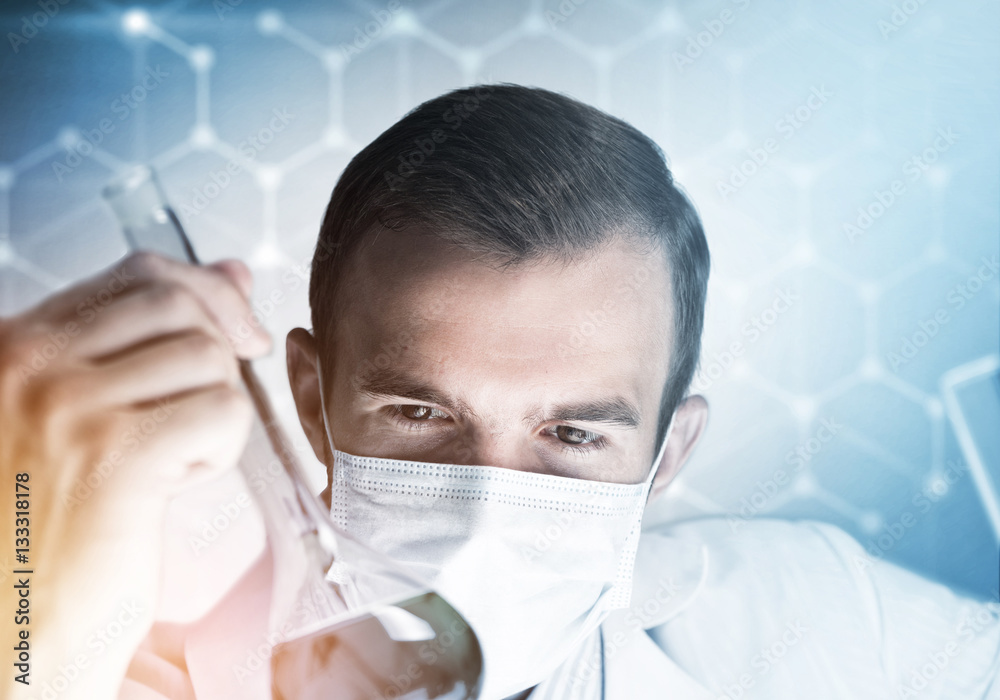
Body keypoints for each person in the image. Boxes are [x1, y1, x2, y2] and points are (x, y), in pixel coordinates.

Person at [3, 84, 998, 699]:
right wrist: (23, 585)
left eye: (571, 434)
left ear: (665, 455)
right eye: (419, 413)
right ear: (310, 400)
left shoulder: (812, 624)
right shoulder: (118, 654)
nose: (483, 504)